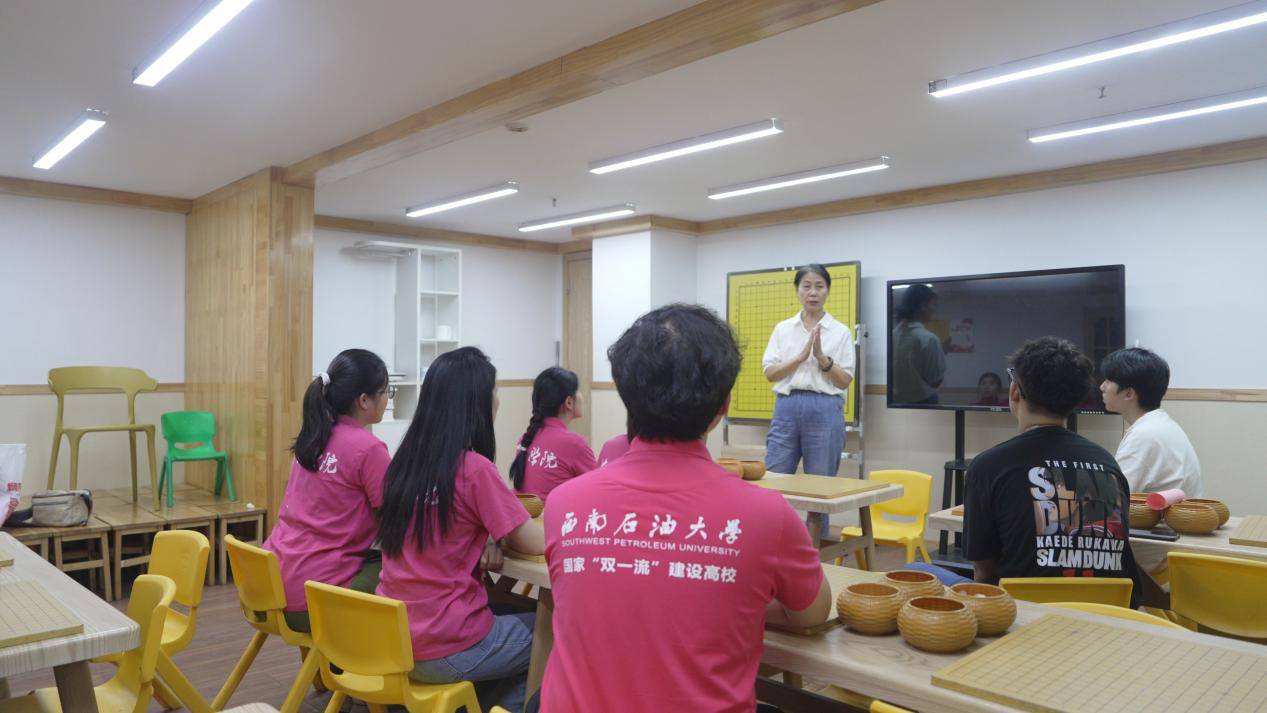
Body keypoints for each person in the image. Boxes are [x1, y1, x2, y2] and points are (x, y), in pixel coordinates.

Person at [541, 304, 831, 712]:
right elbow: (812, 613)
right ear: (724, 405)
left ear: (626, 394)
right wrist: (730, 594)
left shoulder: (565, 504)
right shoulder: (766, 514)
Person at [377, 347, 545, 713]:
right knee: (551, 632)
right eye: (495, 391)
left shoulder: (401, 467)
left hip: (393, 640)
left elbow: (443, 526)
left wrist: (484, 534)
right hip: (445, 643)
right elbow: (534, 542)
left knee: (512, 612)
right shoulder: (474, 469)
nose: (499, 399)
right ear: (477, 404)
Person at [957, 337, 1141, 603]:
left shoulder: (988, 466)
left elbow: (984, 574)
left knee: (919, 570)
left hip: (1022, 621)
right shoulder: (1107, 463)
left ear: (1015, 392)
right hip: (1106, 620)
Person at [265, 348, 392, 632]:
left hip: (271, 585)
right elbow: (397, 518)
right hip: (312, 599)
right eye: (385, 391)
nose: (386, 398)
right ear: (363, 400)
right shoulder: (369, 449)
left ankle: (327, 671)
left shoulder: (312, 437)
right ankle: (349, 665)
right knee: (401, 568)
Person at [761, 264, 855, 539]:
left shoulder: (840, 332)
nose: (813, 292)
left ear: (827, 291)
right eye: (806, 286)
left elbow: (844, 380)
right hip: (787, 406)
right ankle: (770, 540)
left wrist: (822, 358)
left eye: (819, 286)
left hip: (825, 408)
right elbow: (770, 373)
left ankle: (815, 553)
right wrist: (800, 357)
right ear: (797, 290)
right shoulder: (783, 328)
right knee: (774, 477)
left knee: (820, 485)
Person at [1100, 348, 1203, 496]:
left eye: (1108, 381)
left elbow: (1112, 499)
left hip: (1166, 520)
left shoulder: (1144, 435)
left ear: (1129, 393)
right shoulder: (1159, 424)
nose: (1102, 387)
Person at [510, 367, 597, 500]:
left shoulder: (525, 439)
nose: (581, 396)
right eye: (578, 391)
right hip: (555, 519)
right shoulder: (574, 444)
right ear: (569, 402)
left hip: (528, 518)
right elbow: (598, 489)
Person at [891, 283, 945, 405]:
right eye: (933, 305)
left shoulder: (891, 335)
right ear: (923, 306)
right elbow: (935, 380)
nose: (934, 310)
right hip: (924, 402)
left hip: (895, 402)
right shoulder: (929, 339)